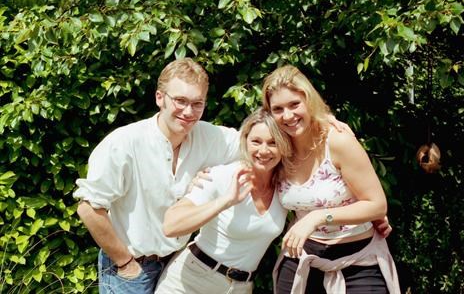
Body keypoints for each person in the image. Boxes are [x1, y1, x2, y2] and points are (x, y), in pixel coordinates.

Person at [74, 58, 241, 293]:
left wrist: (217, 174)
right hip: (132, 269)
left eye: (197, 103)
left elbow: (258, 143)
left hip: (177, 265)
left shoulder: (210, 137)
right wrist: (125, 263)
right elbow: (89, 208)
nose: (188, 111)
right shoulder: (124, 143)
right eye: (180, 101)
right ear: (159, 98)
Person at [260, 65, 400, 294]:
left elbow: (377, 205)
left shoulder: (338, 141)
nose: (287, 115)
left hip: (358, 261)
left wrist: (317, 217)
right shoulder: (277, 148)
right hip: (302, 258)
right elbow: (243, 148)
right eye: (278, 109)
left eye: (295, 104)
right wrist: (202, 176)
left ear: (309, 100)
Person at [154, 108, 292, 294]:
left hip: (240, 287)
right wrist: (226, 201)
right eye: (256, 142)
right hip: (190, 281)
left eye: (273, 143)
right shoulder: (223, 176)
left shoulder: (286, 189)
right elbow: (171, 225)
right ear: (245, 142)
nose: (264, 150)